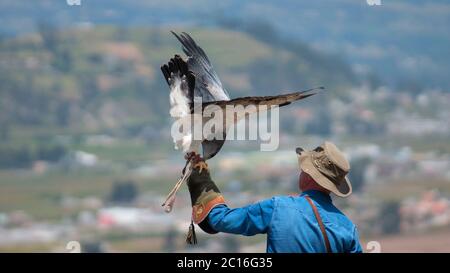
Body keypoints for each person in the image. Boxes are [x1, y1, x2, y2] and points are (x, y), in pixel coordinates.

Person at [186, 141, 363, 253]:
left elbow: (220, 220)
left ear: (308, 176)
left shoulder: (278, 208)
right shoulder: (348, 228)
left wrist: (201, 179)